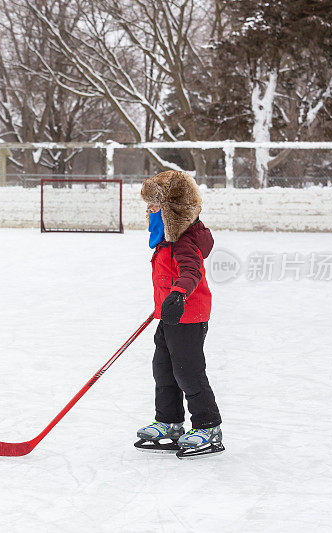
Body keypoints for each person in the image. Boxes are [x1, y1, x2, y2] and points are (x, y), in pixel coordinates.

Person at [134, 170, 224, 459]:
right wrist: (167, 301)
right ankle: (170, 422)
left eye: (155, 205)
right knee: (163, 369)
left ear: (172, 209)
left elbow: (191, 272)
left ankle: (208, 426)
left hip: (189, 315)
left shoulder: (183, 241)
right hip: (170, 316)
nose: (149, 211)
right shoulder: (166, 240)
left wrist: (178, 295)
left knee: (188, 373)